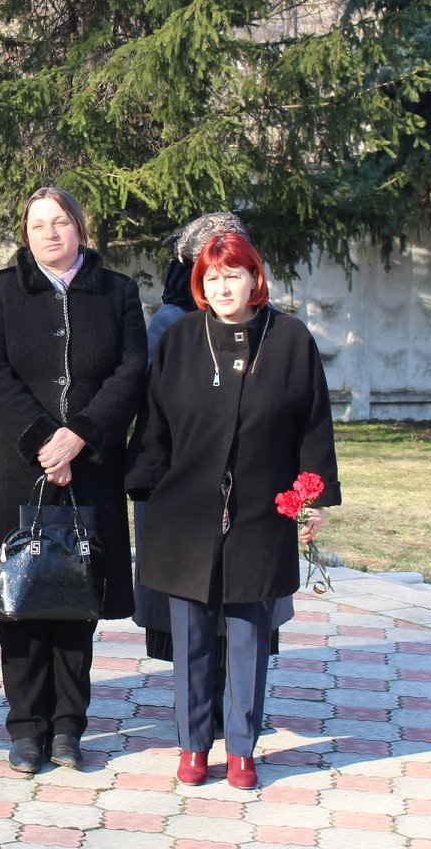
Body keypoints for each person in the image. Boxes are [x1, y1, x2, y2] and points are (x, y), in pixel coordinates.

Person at [127, 228, 339, 792]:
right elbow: (154, 427)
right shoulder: (180, 339)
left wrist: (311, 498)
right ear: (201, 282)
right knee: (191, 638)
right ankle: (193, 745)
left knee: (248, 637)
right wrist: (149, 489)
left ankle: (242, 749)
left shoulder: (290, 339)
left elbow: (313, 426)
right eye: (213, 278)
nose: (223, 288)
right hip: (185, 513)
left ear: (254, 279)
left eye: (233, 276)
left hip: (260, 514)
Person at [0, 187, 146, 774]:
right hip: (19, 467)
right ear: (26, 234)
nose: (50, 233)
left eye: (61, 221)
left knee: (75, 594)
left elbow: (131, 372)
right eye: (38, 224)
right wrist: (46, 440)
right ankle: (26, 728)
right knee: (22, 596)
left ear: (79, 227)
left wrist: (81, 436)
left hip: (91, 467)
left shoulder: (118, 292)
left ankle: (69, 726)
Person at [137, 212, 254, 661]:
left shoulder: (267, 324)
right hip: (183, 482)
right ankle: (196, 695)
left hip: (245, 484)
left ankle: (233, 691)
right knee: (187, 614)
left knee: (243, 604)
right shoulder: (172, 322)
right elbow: (156, 409)